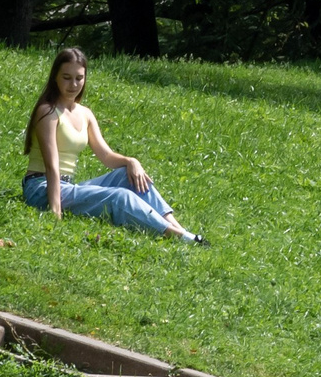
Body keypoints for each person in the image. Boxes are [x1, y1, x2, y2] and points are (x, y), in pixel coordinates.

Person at [20, 46, 203, 241]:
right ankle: (178, 237)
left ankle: (183, 231)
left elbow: (106, 156)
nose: (73, 84)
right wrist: (55, 211)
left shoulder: (85, 113)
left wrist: (131, 161)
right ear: (55, 77)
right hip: (41, 188)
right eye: (66, 77)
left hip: (67, 186)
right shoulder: (47, 111)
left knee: (127, 175)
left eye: (79, 78)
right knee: (119, 196)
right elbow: (51, 165)